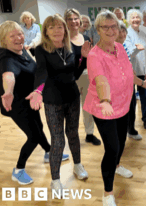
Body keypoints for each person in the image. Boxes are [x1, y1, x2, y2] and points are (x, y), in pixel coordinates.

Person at [83, 10, 146, 206]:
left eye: (114, 26)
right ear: (98, 30)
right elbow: (101, 80)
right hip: (103, 108)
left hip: (123, 104)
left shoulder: (120, 48)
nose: (111, 30)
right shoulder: (95, 55)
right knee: (112, 148)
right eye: (106, 27)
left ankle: (116, 166)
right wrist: (105, 100)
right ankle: (108, 193)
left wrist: (142, 83)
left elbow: (128, 72)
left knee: (121, 141)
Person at [0, 21, 68, 185]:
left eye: (20, 33)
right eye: (12, 36)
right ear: (4, 40)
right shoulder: (5, 58)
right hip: (16, 105)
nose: (18, 38)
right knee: (33, 136)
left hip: (30, 99)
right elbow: (9, 75)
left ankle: (48, 151)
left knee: (38, 128)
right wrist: (8, 92)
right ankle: (19, 169)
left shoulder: (22, 50)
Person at [28, 14, 91, 191]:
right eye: (52, 27)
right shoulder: (41, 49)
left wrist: (84, 58)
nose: (56, 30)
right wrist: (38, 90)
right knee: (57, 140)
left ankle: (78, 165)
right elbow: (41, 72)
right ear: (46, 31)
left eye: (59, 27)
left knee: (73, 134)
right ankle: (55, 179)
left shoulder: (69, 48)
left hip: (72, 97)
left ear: (65, 29)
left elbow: (75, 76)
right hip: (53, 100)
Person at [65, 8, 101, 146]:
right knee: (72, 109)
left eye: (76, 18)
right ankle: (72, 136)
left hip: (86, 76)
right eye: (70, 19)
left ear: (80, 21)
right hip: (70, 79)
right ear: (66, 22)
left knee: (88, 107)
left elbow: (89, 59)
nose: (73, 21)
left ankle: (90, 134)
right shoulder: (63, 40)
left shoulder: (85, 38)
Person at [125, 9, 146, 130]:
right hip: (131, 72)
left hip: (144, 71)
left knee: (145, 96)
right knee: (131, 99)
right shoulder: (127, 34)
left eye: (137, 18)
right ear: (129, 20)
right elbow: (129, 53)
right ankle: (130, 124)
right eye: (133, 18)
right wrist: (138, 48)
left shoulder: (143, 34)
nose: (136, 20)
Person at [116, 21, 143, 141]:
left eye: (124, 31)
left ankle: (131, 129)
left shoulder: (124, 46)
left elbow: (127, 62)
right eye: (120, 31)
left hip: (129, 83)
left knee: (132, 107)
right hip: (119, 86)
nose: (122, 34)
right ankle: (120, 133)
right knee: (123, 110)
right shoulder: (113, 47)